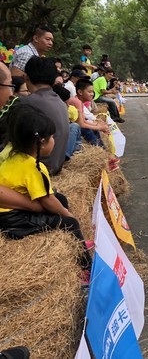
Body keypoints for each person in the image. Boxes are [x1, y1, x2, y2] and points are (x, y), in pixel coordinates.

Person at [0, 104, 91, 276]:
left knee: (60, 198)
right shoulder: (34, 168)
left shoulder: (13, 157)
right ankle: (86, 267)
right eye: (52, 137)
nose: (54, 140)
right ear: (42, 142)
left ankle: (75, 240)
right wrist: (66, 214)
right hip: (12, 220)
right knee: (70, 223)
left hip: (10, 209)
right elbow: (47, 200)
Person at [21, 56, 69, 175]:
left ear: (26, 77)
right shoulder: (60, 102)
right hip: (56, 166)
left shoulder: (26, 103)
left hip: (39, 171)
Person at [68, 79, 110, 147]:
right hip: (71, 129)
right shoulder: (77, 102)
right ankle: (98, 147)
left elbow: (83, 120)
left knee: (94, 130)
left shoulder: (79, 101)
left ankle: (102, 149)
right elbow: (81, 124)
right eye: (90, 92)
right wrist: (100, 128)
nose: (92, 94)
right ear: (80, 92)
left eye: (92, 92)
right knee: (88, 130)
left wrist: (98, 125)